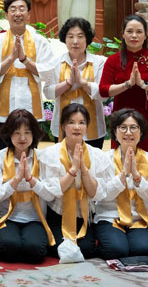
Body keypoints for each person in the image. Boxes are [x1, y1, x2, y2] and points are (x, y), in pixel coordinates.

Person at [99, 14, 148, 186]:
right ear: (123, 34)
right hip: (122, 119)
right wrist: (128, 84)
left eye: (139, 32)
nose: (134, 35)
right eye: (130, 31)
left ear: (145, 36)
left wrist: (144, 85)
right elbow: (103, 90)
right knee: (122, 158)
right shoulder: (113, 60)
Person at [38, 103, 110, 261]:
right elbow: (52, 193)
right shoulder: (50, 154)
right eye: (71, 122)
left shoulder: (97, 155)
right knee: (54, 248)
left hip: (84, 214)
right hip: (58, 213)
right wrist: (72, 170)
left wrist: (83, 168)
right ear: (63, 126)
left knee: (87, 249)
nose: (77, 127)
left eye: (82, 122)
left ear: (87, 127)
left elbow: (95, 194)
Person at [91, 109, 148, 260]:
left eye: (133, 128)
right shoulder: (103, 159)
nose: (128, 132)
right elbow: (101, 195)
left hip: (139, 218)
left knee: (144, 250)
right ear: (115, 132)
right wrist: (123, 175)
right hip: (110, 217)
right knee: (116, 250)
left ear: (141, 132)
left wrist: (136, 176)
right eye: (123, 127)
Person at [0, 0, 56, 150]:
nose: (17, 13)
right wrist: (11, 58)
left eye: (22, 9)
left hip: (30, 105)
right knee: (3, 152)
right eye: (12, 9)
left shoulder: (39, 41)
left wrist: (25, 60)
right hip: (2, 109)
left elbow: (48, 72)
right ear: (6, 15)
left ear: (28, 14)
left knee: (30, 152)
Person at [0, 109, 55, 264]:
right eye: (17, 132)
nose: (22, 138)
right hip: (6, 217)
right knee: (8, 248)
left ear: (34, 134)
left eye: (27, 132)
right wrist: (16, 180)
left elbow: (50, 195)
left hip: (35, 218)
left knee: (35, 251)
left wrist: (31, 180)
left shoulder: (43, 158)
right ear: (9, 134)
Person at [42, 17, 106, 149]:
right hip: (62, 126)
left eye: (80, 36)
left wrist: (83, 82)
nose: (75, 41)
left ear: (87, 39)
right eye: (70, 36)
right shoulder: (55, 62)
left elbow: (103, 93)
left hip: (93, 128)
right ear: (64, 39)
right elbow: (48, 92)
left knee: (90, 166)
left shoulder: (99, 62)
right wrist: (69, 82)